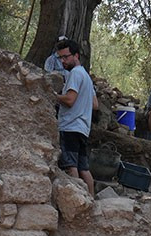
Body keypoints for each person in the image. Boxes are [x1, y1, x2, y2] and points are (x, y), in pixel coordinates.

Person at [53, 39, 96, 197]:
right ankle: (91, 200)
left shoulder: (75, 74)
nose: (63, 61)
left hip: (70, 127)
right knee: (84, 168)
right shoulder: (86, 76)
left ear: (76, 55)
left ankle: (77, 200)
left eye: (66, 57)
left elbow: (70, 100)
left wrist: (54, 96)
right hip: (83, 128)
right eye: (61, 58)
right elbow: (95, 104)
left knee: (71, 167)